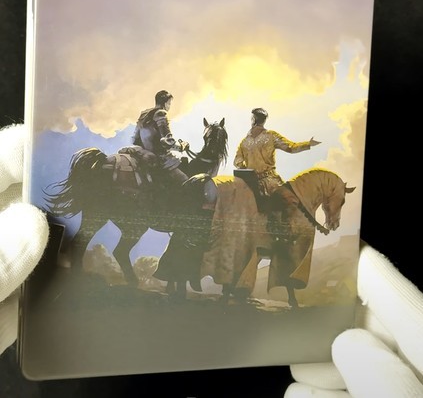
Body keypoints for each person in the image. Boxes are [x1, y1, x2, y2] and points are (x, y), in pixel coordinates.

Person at [0, 123, 423, 396]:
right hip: (259, 180)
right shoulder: (256, 137)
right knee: (269, 201)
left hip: (249, 176)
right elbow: (277, 150)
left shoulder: (249, 140)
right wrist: (295, 151)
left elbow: (244, 158)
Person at [234, 107, 321, 197]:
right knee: (291, 199)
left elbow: (237, 162)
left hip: (251, 185)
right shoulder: (271, 136)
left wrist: (249, 171)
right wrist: (308, 144)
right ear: (264, 121)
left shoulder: (244, 142)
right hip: (271, 183)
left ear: (253, 119)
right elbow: (290, 148)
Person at [132, 90, 189, 185]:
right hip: (161, 158)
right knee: (185, 181)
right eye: (169, 103)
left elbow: (135, 140)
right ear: (165, 103)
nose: (169, 106)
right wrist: (182, 147)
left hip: (144, 154)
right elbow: (167, 142)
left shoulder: (143, 115)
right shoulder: (161, 114)